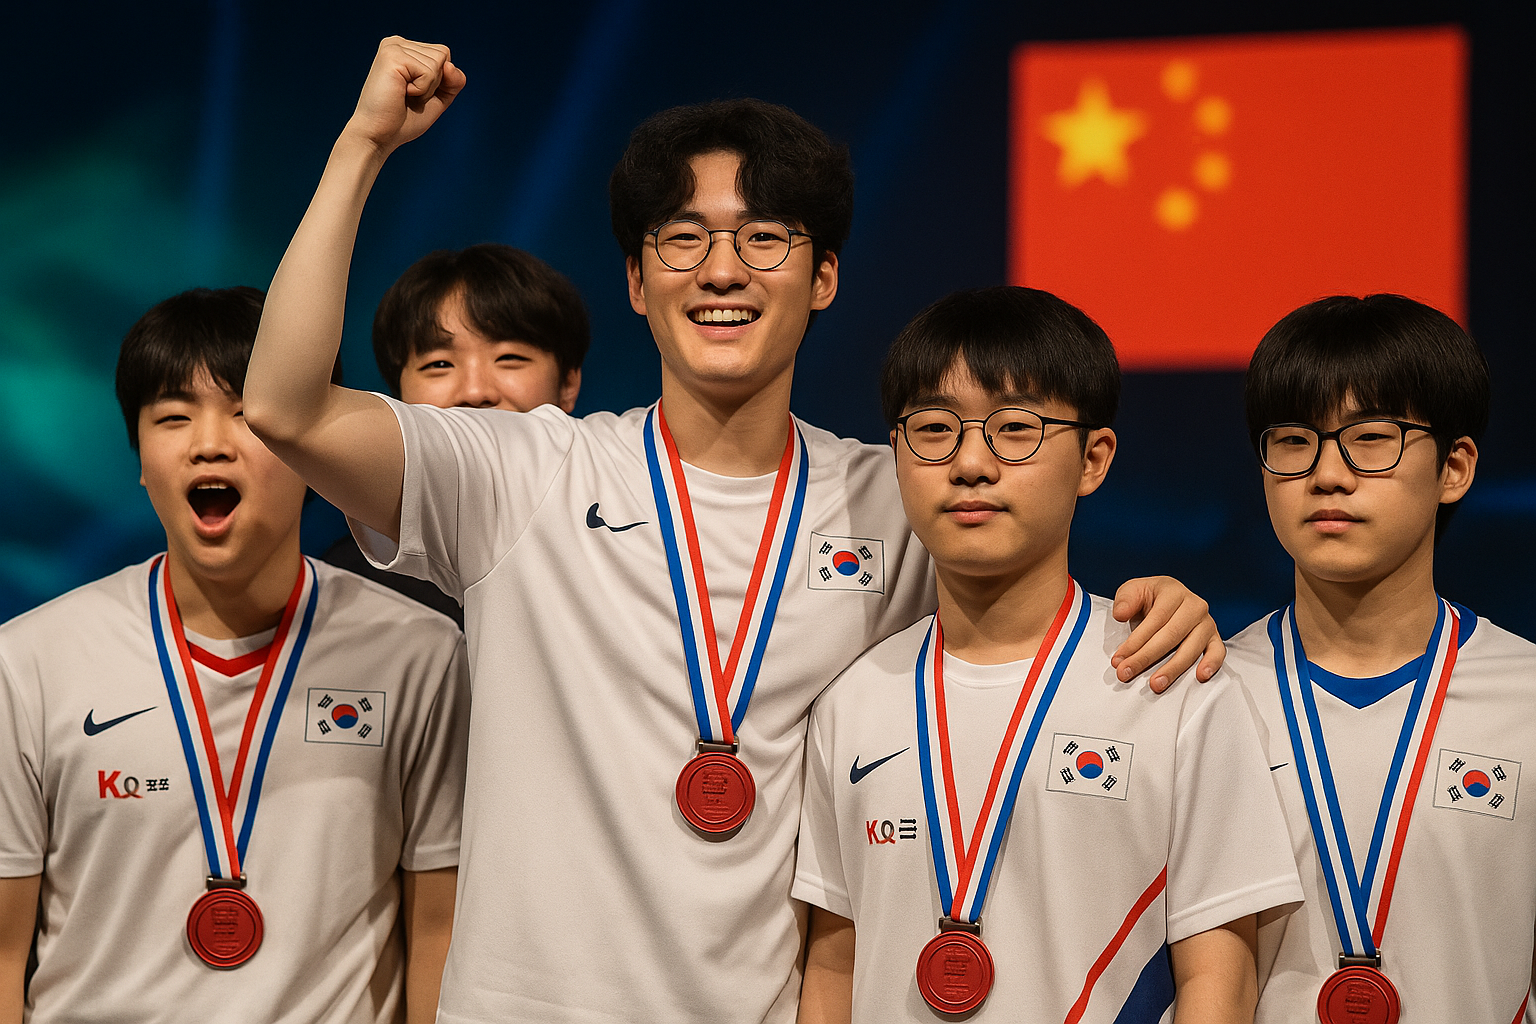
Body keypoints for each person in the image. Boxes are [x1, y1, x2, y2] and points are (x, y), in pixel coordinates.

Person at [243, 38, 1229, 1024]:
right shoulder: (526, 473)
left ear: (825, 275)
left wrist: (1159, 606)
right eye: (683, 238)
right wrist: (364, 144)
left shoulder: (891, 494)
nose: (723, 270)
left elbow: (1027, 608)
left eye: (765, 238)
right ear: (636, 281)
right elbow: (287, 408)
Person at [793, 287, 1302, 1024]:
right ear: (897, 452)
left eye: (1015, 429)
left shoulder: (1170, 685)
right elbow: (834, 968)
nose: (970, 463)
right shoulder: (853, 700)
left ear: (1093, 458)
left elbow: (1217, 982)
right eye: (934, 429)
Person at [0, 287, 470, 1024]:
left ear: (312, 447)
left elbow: (438, 929)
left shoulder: (420, 656)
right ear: (142, 460)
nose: (209, 443)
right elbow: (3, 950)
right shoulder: (28, 662)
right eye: (173, 417)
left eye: (247, 415)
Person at [1223, 294, 1536, 1023]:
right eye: (1295, 440)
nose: (1327, 475)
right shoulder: (1205, 692)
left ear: (1454, 468)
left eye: (1370, 438)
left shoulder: (1526, 698)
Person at [322, 243, 590, 625]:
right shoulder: (352, 586)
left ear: (569, 383)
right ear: (397, 396)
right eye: (440, 364)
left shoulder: (618, 546)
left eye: (510, 358)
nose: (475, 392)